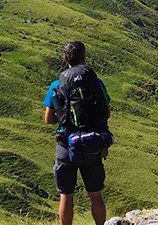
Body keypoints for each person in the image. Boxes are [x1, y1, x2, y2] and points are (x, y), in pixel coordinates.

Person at [43, 41, 111, 225]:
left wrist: (65, 114)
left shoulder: (57, 85)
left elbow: (48, 119)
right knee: (95, 194)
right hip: (92, 142)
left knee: (66, 194)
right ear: (84, 58)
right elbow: (107, 110)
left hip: (66, 143)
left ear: (65, 59)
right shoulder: (96, 83)